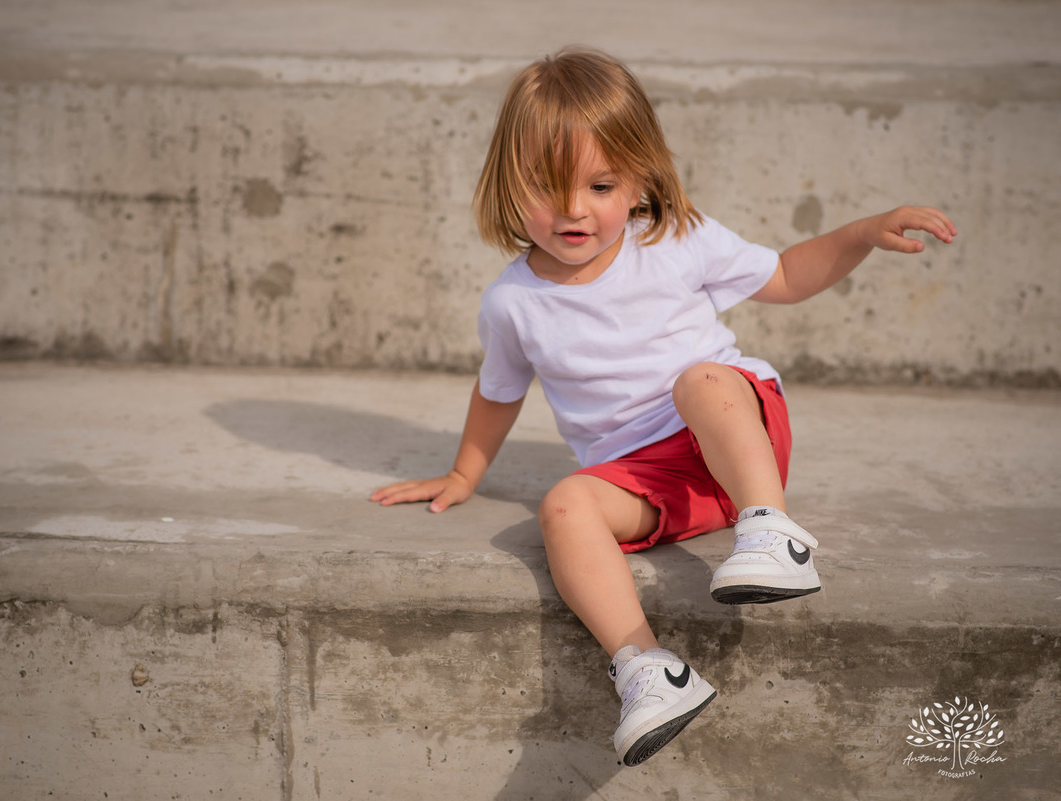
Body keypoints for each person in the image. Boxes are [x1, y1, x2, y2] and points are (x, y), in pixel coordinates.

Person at [369, 47, 956, 767]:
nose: (575, 208)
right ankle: (649, 669)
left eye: (601, 184)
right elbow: (499, 391)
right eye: (546, 187)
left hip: (736, 439)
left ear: (640, 176)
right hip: (654, 485)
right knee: (562, 504)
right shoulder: (514, 302)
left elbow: (785, 274)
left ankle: (773, 533)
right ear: (507, 184)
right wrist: (463, 474)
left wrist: (862, 232)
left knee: (699, 381)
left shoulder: (674, 239)